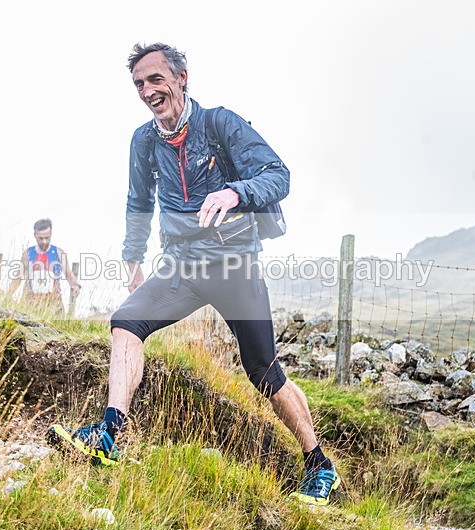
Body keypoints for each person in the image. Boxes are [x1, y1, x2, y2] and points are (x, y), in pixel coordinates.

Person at [48, 43, 340, 505]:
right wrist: (131, 257)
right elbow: (138, 201)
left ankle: (319, 465)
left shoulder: (220, 123)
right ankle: (109, 434)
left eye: (155, 79)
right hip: (181, 266)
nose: (147, 91)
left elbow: (277, 174)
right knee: (126, 322)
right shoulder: (144, 140)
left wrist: (235, 193)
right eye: (139, 84)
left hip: (234, 264)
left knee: (262, 369)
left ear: (182, 78)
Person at [9, 218, 81, 311]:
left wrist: (75, 285)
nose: (44, 241)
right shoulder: (28, 253)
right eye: (40, 238)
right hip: (30, 303)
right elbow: (18, 277)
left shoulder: (58, 252)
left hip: (54, 305)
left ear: (51, 234)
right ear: (35, 235)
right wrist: (8, 294)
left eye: (47, 238)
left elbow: (68, 273)